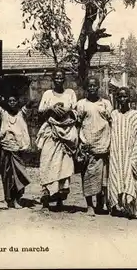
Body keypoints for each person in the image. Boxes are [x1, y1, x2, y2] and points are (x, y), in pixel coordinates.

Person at [36, 69, 78, 210]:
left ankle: (60, 199)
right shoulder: (48, 94)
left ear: (64, 79)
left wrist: (68, 111)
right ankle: (46, 196)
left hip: (66, 133)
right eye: (56, 77)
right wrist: (51, 108)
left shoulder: (70, 93)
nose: (59, 80)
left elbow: (76, 112)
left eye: (61, 77)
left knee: (63, 166)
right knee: (47, 162)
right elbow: (41, 112)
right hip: (51, 132)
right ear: (53, 79)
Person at [0, 87, 33, 210]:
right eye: (10, 101)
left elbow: (31, 102)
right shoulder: (3, 113)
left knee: (18, 174)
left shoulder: (21, 113)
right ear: (7, 102)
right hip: (5, 148)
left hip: (17, 149)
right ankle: (9, 199)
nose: (12, 103)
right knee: (6, 175)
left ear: (18, 102)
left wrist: (28, 90)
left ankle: (18, 199)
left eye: (14, 100)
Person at [76, 77, 113, 216]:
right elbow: (78, 124)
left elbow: (111, 122)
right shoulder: (81, 104)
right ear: (86, 88)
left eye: (94, 86)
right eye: (89, 86)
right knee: (88, 176)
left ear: (98, 87)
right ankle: (89, 205)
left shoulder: (106, 103)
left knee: (103, 177)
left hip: (103, 144)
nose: (92, 88)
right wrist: (79, 143)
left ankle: (100, 204)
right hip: (88, 144)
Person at [107, 87, 137, 219]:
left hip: (130, 152)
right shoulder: (113, 114)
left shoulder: (136, 115)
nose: (122, 99)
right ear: (117, 98)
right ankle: (117, 206)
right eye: (120, 97)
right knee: (116, 177)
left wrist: (135, 154)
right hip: (116, 151)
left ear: (129, 98)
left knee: (130, 177)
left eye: (125, 96)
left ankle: (132, 209)